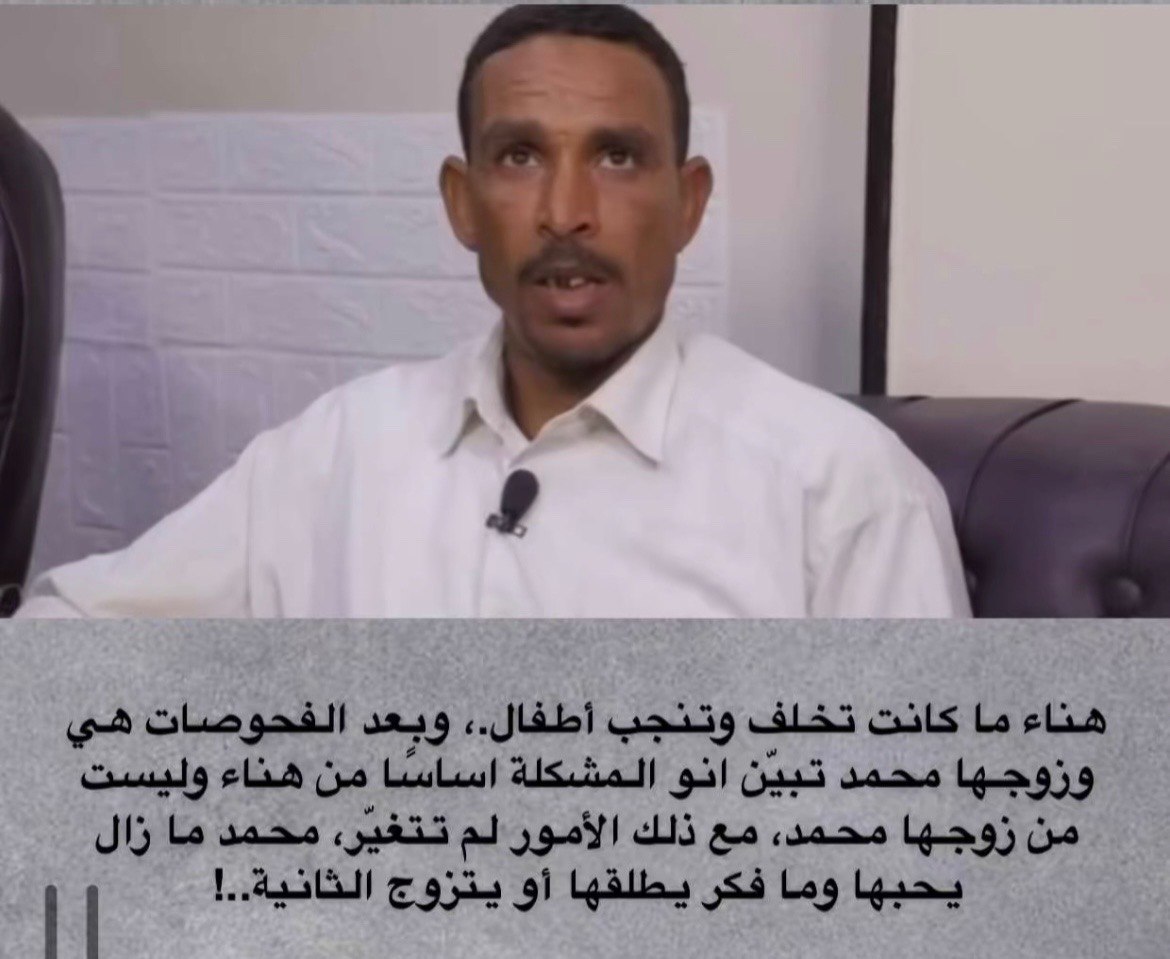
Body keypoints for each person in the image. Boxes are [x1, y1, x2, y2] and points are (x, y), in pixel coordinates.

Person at [16, 4, 970, 618]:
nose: (566, 211)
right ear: (462, 203)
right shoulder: (340, 451)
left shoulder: (842, 494)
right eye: (520, 156)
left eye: (617, 157)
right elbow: (70, 635)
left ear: (689, 203)